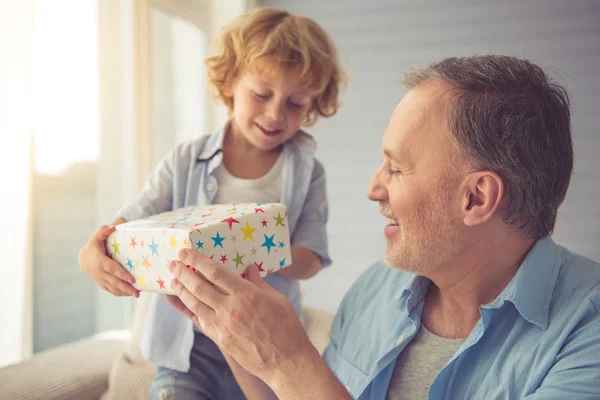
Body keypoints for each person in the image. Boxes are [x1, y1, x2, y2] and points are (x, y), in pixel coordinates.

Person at [166, 55, 600, 400]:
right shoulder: (377, 288)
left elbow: (301, 382)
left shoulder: (586, 335)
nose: (373, 188)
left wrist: (293, 363)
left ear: (477, 198)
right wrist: (231, 329)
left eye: (396, 168)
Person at [78, 7, 345, 399]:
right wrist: (91, 252)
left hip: (262, 343)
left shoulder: (307, 172)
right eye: (261, 94)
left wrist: (248, 248)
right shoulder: (185, 161)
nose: (275, 114)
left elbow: (312, 258)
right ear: (230, 82)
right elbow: (131, 221)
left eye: (295, 103)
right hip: (188, 347)